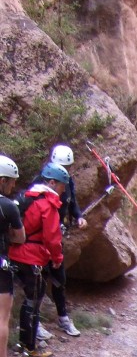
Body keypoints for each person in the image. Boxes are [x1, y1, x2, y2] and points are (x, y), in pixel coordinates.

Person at [9, 162, 71, 357]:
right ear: (52, 183)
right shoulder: (47, 204)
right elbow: (52, 238)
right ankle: (30, 347)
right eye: (62, 185)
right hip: (32, 256)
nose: (63, 190)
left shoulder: (27, 196)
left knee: (29, 299)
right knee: (33, 301)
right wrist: (57, 259)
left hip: (15, 252)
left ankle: (23, 342)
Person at [30, 144, 85, 338]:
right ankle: (35, 324)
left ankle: (63, 318)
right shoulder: (41, 183)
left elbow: (72, 201)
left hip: (55, 235)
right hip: (39, 239)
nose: (65, 171)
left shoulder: (67, 181)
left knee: (59, 279)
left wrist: (77, 216)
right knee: (39, 280)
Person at [0, 155, 26, 357]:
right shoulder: (8, 206)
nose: (13, 185)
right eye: (11, 181)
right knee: (2, 318)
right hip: (1, 267)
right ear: (1, 181)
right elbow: (19, 238)